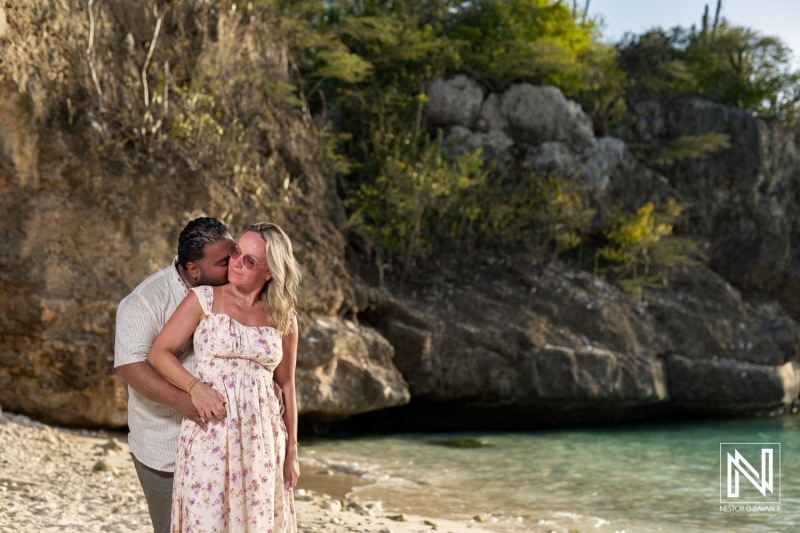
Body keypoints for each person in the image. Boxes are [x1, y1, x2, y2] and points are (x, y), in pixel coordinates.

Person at [147, 222, 300, 533]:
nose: (237, 264)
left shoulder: (284, 316)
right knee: (206, 522)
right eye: (236, 253)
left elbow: (286, 385)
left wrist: (292, 452)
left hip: (263, 440)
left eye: (250, 261)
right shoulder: (203, 299)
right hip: (211, 434)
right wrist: (194, 388)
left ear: (270, 272)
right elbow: (159, 353)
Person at [114, 217, 237, 533]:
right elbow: (130, 364)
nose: (234, 265)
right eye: (224, 261)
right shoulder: (146, 300)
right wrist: (183, 400)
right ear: (194, 269)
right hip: (164, 442)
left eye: (234, 254)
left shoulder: (234, 292)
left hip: (222, 443)